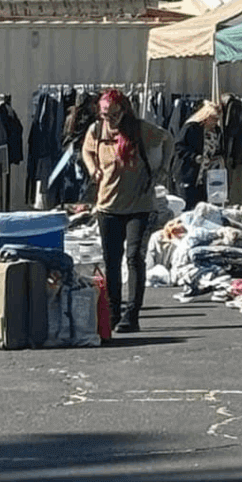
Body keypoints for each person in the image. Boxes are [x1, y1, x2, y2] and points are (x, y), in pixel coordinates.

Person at [79, 88, 175, 334]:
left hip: (139, 206)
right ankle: (112, 313)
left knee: (134, 258)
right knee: (112, 261)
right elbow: (87, 151)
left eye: (113, 115)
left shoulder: (142, 129)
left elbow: (168, 139)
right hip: (107, 206)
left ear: (124, 111)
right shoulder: (97, 130)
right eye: (104, 115)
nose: (108, 120)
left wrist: (163, 169)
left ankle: (132, 315)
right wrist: (93, 169)